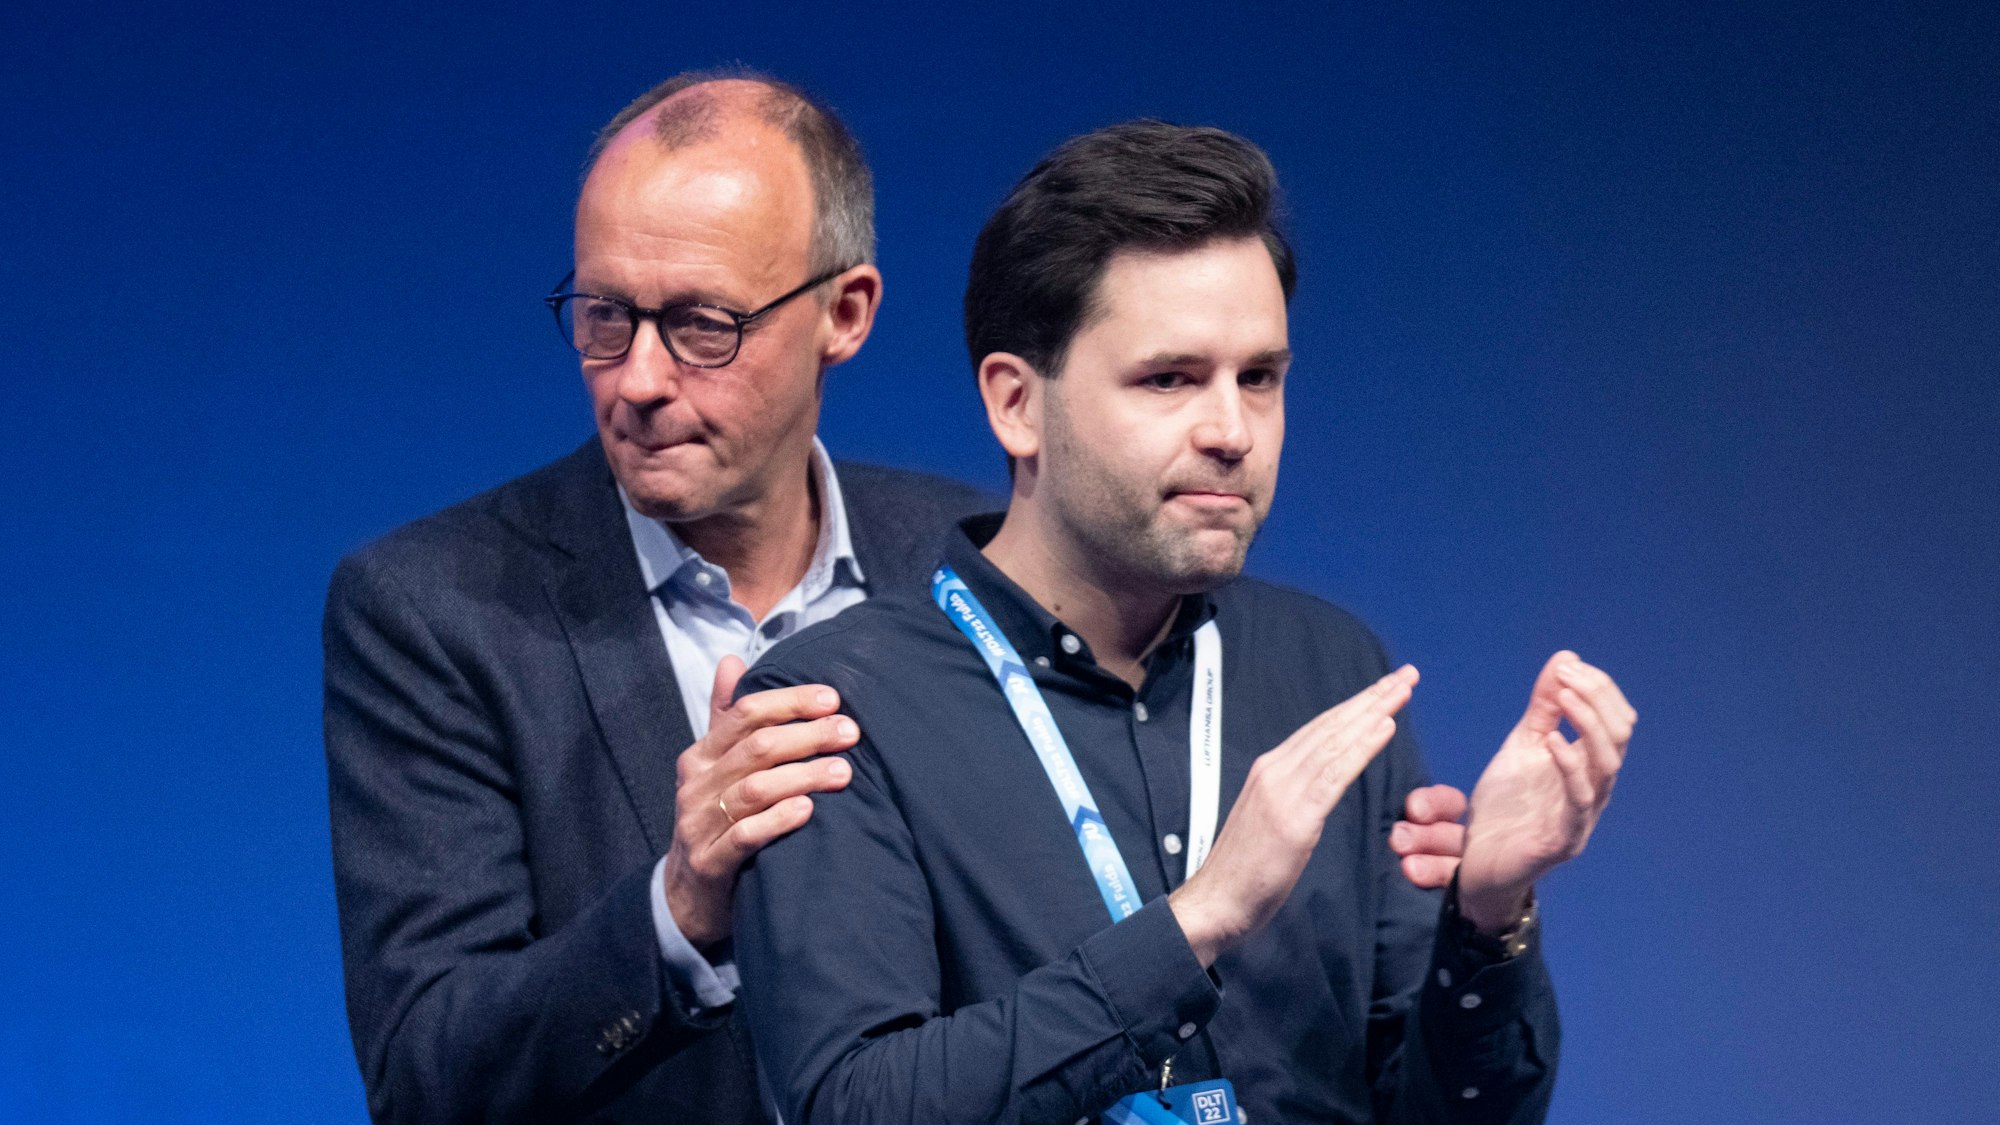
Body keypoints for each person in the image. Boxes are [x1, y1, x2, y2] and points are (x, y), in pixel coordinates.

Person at [734, 121, 1636, 1125]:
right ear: (1014, 405)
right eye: (1169, 379)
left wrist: (1487, 916)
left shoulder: (1330, 669)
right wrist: (1197, 921)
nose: (1230, 433)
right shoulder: (836, 708)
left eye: (1258, 378)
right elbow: (850, 1109)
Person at [321, 71, 995, 1123]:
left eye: (700, 325)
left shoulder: (970, 561)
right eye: (603, 316)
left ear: (845, 312)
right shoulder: (431, 609)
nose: (635, 379)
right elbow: (425, 1077)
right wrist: (680, 906)